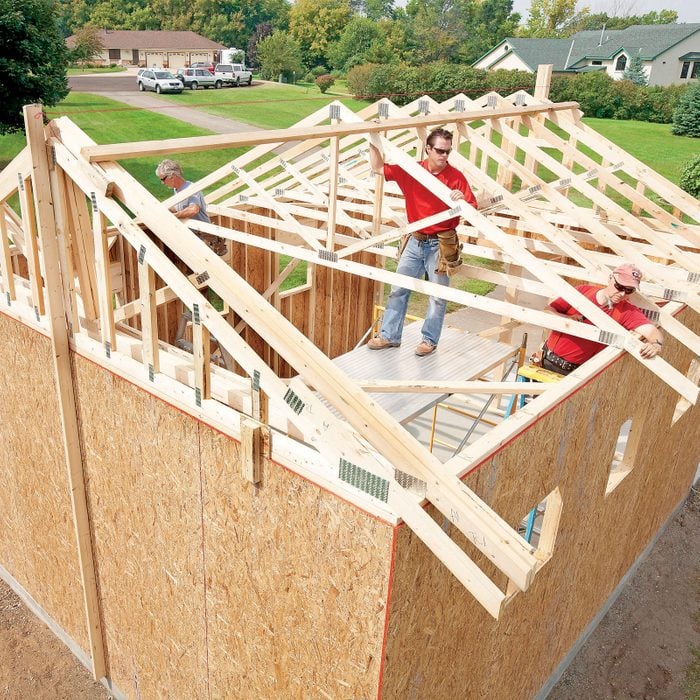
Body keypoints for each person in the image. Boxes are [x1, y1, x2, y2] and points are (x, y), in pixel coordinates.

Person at [367, 128, 477, 356]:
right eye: (439, 151)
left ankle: (429, 341)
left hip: (440, 244)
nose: (444, 156)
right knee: (398, 289)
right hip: (415, 241)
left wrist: (463, 199)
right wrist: (373, 138)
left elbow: (473, 208)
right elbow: (378, 168)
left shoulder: (456, 177)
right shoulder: (413, 171)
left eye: (448, 151)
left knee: (438, 296)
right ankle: (389, 336)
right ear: (428, 149)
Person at [542, 263, 664, 375]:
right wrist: (567, 319)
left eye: (629, 290)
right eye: (620, 287)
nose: (622, 294)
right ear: (611, 278)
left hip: (573, 374)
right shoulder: (583, 291)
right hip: (544, 358)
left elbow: (652, 332)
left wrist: (656, 345)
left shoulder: (627, 311)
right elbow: (548, 310)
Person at [155, 159, 227, 256]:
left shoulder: (190, 188)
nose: (162, 183)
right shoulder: (177, 190)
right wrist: (164, 208)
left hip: (204, 238)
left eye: (163, 179)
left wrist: (175, 216)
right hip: (193, 238)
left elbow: (194, 209)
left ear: (172, 176)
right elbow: (180, 208)